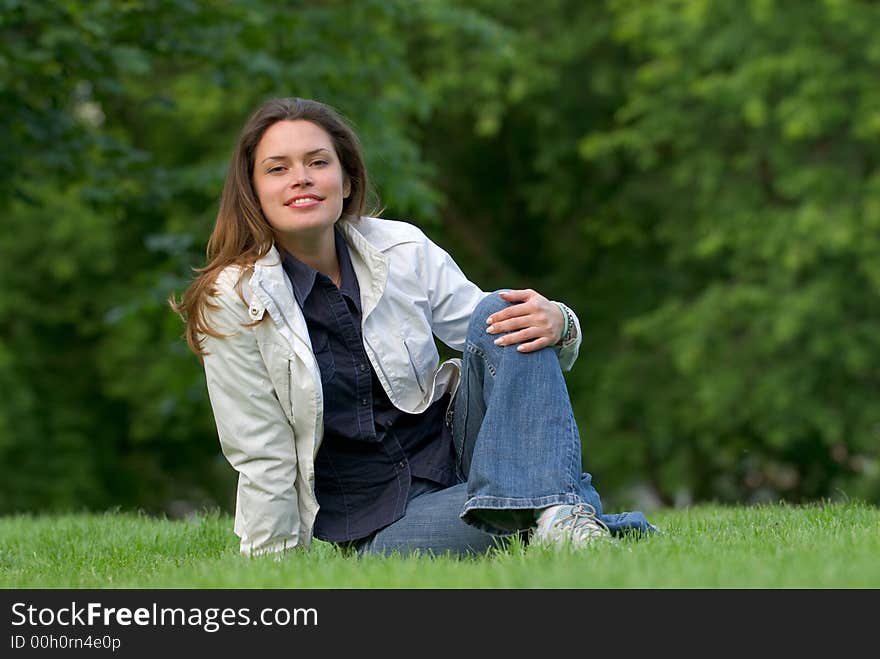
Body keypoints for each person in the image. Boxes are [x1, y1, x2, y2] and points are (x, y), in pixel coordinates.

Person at [172, 97, 654, 557]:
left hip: (463, 461)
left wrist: (561, 321)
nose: (301, 179)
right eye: (278, 169)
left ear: (346, 181)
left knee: (501, 315)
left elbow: (496, 341)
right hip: (381, 523)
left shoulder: (401, 248)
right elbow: (261, 452)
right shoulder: (234, 300)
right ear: (254, 191)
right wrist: (273, 575)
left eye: (318, 163)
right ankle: (566, 513)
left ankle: (554, 511)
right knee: (520, 508)